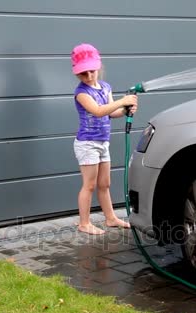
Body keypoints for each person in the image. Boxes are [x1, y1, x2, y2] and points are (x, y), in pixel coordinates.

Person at [71, 43, 138, 235]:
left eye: (92, 71)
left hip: (102, 142)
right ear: (77, 74)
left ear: (98, 67)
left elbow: (111, 112)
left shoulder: (105, 87)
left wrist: (125, 109)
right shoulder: (82, 93)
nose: (89, 76)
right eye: (84, 73)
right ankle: (84, 223)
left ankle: (110, 218)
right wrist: (122, 101)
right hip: (87, 144)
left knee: (104, 184)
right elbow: (99, 111)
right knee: (89, 185)